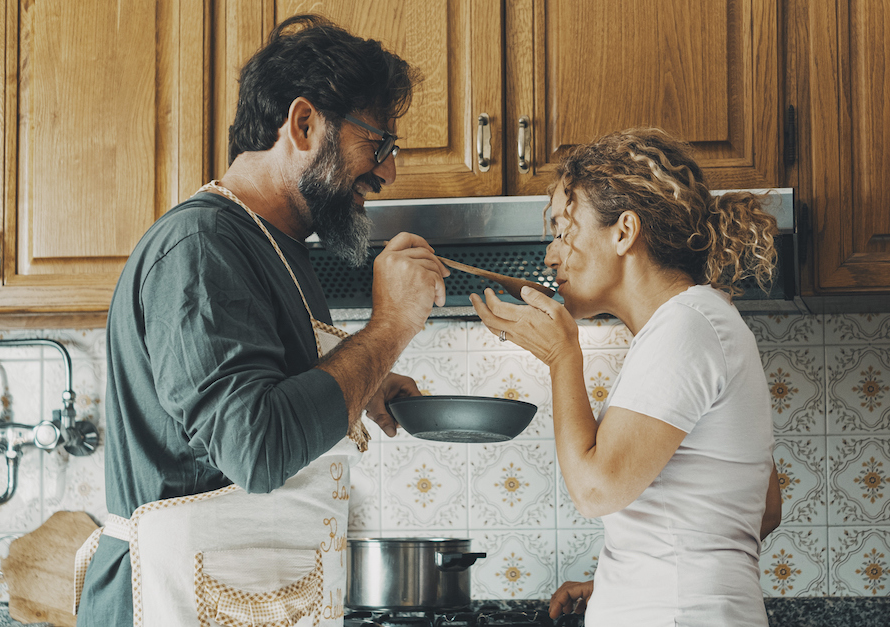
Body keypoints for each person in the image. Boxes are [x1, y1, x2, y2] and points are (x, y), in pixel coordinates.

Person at [74, 15, 448, 627]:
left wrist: (364, 385)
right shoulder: (201, 246)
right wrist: (390, 330)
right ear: (304, 124)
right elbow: (255, 447)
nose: (388, 172)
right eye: (378, 144)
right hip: (171, 605)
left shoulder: (275, 246)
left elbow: (252, 405)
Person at [471, 128, 784, 626]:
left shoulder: (686, 326)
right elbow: (762, 508)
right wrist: (630, 578)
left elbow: (595, 491)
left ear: (624, 232)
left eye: (562, 230)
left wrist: (562, 356)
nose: (551, 256)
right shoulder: (696, 322)